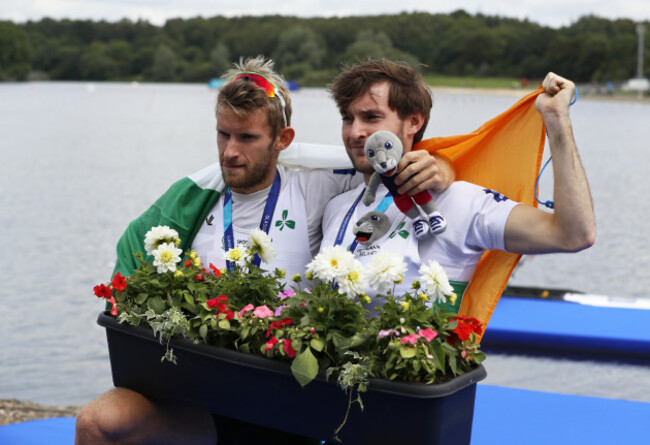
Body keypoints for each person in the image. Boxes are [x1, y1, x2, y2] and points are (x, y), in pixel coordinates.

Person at [75, 56, 453, 445]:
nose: (230, 153)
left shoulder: (320, 187)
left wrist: (443, 166)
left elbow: (387, 165)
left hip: (284, 411)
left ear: (283, 141)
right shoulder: (191, 204)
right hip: (202, 406)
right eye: (224, 134)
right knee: (97, 423)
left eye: (247, 138)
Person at [321, 59, 596, 312]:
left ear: (413, 122)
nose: (355, 132)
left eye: (371, 118)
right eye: (347, 118)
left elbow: (573, 235)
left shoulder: (458, 200)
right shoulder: (337, 206)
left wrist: (557, 121)